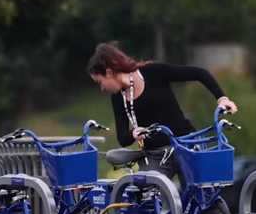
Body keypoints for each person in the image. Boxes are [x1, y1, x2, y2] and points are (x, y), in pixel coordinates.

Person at [86, 42, 238, 181]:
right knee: (147, 193)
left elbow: (200, 74)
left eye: (100, 82)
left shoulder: (154, 72)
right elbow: (123, 139)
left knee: (199, 194)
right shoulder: (117, 98)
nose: (102, 88)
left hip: (185, 145)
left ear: (109, 72)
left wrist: (222, 99)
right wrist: (133, 134)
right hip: (156, 155)